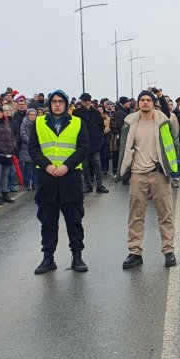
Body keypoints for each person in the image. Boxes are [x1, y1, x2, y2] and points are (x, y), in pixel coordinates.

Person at [114, 90, 180, 269]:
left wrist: (173, 170)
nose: (145, 103)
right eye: (142, 100)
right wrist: (123, 170)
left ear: (153, 103)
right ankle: (135, 252)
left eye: (148, 100)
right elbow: (124, 148)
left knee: (165, 214)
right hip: (137, 174)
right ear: (137, 103)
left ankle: (168, 251)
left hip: (159, 174)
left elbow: (174, 144)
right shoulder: (130, 122)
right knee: (135, 216)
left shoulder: (163, 122)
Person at [28, 90, 90, 274]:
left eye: (60, 101)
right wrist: (47, 166)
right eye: (54, 101)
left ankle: (77, 256)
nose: (57, 104)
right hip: (47, 179)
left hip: (69, 179)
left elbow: (83, 148)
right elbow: (33, 148)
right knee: (47, 221)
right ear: (49, 104)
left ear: (65, 104)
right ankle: (48, 258)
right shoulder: (39, 122)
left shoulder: (77, 122)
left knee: (74, 221)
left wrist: (66, 166)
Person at [75, 93, 108, 193]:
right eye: (85, 100)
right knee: (85, 166)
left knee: (97, 164)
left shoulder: (96, 112)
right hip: (83, 143)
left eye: (89, 100)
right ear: (81, 101)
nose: (87, 102)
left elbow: (101, 126)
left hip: (95, 143)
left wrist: (99, 138)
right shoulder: (76, 113)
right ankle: (88, 185)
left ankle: (99, 185)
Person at [19, 108, 38, 190]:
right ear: (28, 115)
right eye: (31, 114)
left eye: (34, 115)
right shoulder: (24, 124)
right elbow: (23, 135)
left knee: (35, 169)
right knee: (28, 169)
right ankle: (27, 185)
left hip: (37, 149)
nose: (33, 116)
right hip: (27, 149)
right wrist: (32, 142)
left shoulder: (38, 124)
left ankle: (35, 184)